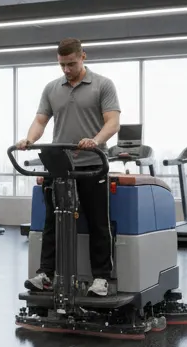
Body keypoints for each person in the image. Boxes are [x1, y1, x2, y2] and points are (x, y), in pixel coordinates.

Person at [16, 38, 120, 295]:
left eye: (71, 64)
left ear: (83, 56)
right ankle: (46, 275)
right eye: (62, 65)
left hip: (93, 164)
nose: (67, 69)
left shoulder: (103, 85)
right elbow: (40, 121)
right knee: (53, 222)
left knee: (98, 223)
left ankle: (101, 278)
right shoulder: (52, 88)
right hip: (60, 165)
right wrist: (30, 138)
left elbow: (112, 123)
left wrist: (95, 141)